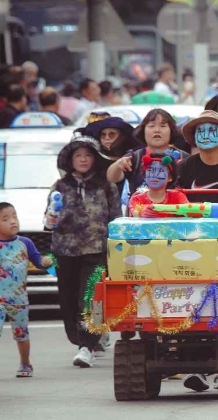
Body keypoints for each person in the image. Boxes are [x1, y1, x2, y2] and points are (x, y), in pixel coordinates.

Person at [45, 137, 121, 365]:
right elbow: (48, 222)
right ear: (70, 160)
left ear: (96, 159)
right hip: (64, 251)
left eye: (88, 155)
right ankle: (80, 341)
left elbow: (116, 218)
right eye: (78, 155)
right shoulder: (59, 186)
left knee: (91, 299)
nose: (83, 159)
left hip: (96, 250)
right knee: (68, 299)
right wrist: (51, 218)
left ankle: (87, 344)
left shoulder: (107, 185)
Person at [0, 203, 54, 377]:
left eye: (14, 216)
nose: (13, 222)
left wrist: (45, 262)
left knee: (21, 333)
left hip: (19, 299)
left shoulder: (25, 243)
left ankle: (25, 363)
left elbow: (38, 261)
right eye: (5, 219)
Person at [107, 109, 190, 197]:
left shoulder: (184, 157)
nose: (157, 130)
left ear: (171, 130)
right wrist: (118, 165)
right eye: (151, 126)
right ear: (143, 131)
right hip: (140, 209)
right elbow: (112, 178)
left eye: (162, 126)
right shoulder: (135, 157)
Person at [178, 111, 218, 203]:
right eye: (200, 131)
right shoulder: (183, 167)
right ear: (194, 138)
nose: (205, 136)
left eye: (211, 131)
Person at [128, 151, 189, 217]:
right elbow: (134, 217)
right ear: (144, 176)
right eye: (150, 171)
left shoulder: (178, 197)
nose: (155, 175)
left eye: (160, 171)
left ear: (170, 177)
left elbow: (189, 212)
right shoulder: (137, 199)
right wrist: (141, 214)